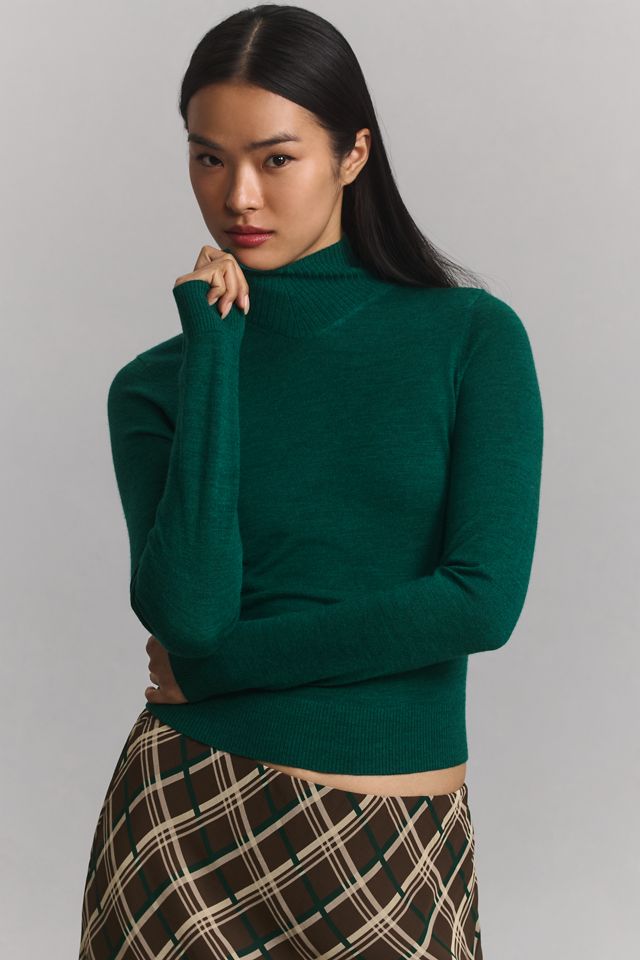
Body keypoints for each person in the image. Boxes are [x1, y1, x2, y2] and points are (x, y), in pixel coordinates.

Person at [79, 5, 543, 958]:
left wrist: (223, 670)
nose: (238, 196)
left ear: (352, 153)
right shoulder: (159, 385)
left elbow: (479, 602)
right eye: (209, 159)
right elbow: (191, 615)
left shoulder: (470, 338)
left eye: (276, 158)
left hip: (393, 841)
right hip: (181, 827)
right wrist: (214, 353)